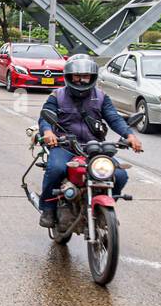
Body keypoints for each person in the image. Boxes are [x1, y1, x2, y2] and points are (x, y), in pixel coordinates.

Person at [37, 54, 143, 228]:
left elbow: (114, 118)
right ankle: (48, 208)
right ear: (69, 76)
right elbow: (46, 117)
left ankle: (103, 209)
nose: (80, 80)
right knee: (55, 169)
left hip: (94, 148)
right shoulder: (57, 96)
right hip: (65, 146)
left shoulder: (101, 97)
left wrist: (129, 135)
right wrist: (48, 132)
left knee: (120, 175)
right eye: (76, 76)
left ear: (92, 77)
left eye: (85, 76)